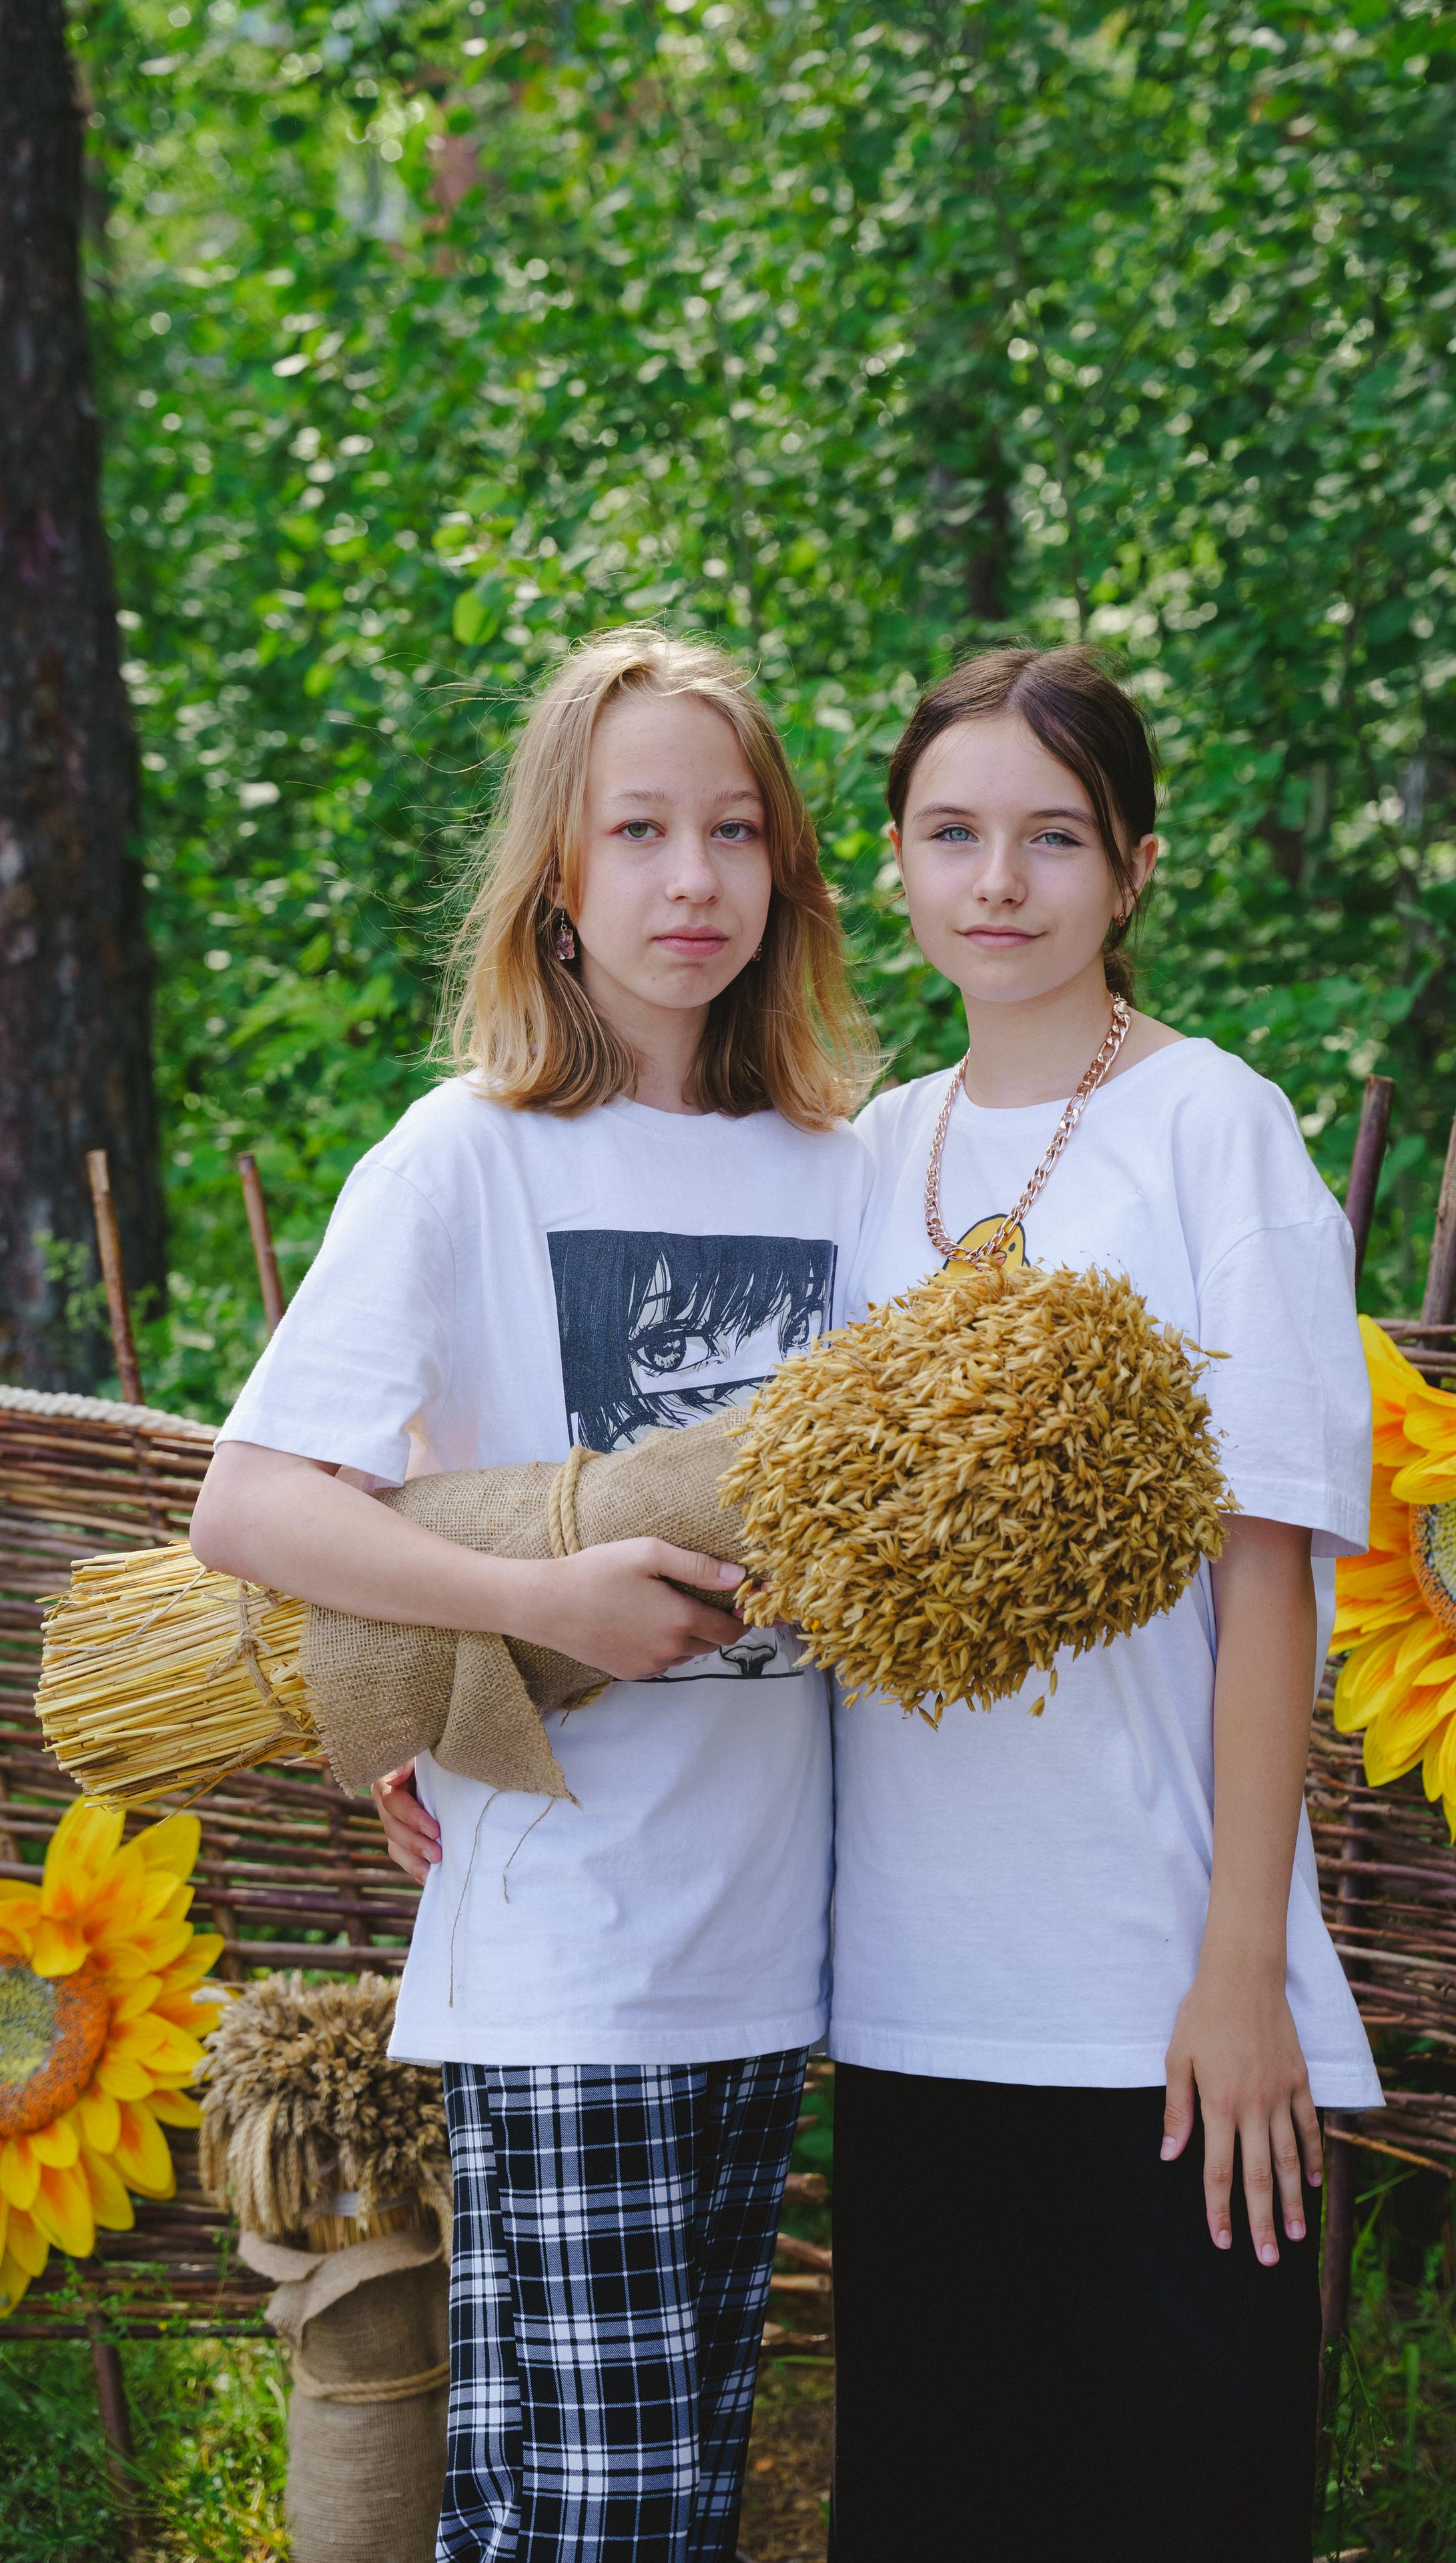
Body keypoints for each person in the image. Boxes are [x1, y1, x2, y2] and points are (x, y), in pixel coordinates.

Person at [190, 627, 875, 2563]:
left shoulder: (850, 1174)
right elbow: (252, 1505)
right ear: (553, 877)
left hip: (779, 1944)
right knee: (601, 2524)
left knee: (618, 2508)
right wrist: (548, 1604)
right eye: (637, 829)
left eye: (735, 832)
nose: (692, 879)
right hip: (573, 1946)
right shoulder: (466, 1159)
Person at [825, 645, 1381, 2563]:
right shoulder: (868, 1150)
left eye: (1052, 837)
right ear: (890, 863)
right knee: (947, 2503)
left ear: (1132, 869)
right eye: (953, 833)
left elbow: (1269, 1561)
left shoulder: (1216, 1126)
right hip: (910, 1974)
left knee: (1188, 2497)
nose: (1000, 880)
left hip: (1159, 1985)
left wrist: (1240, 1967)